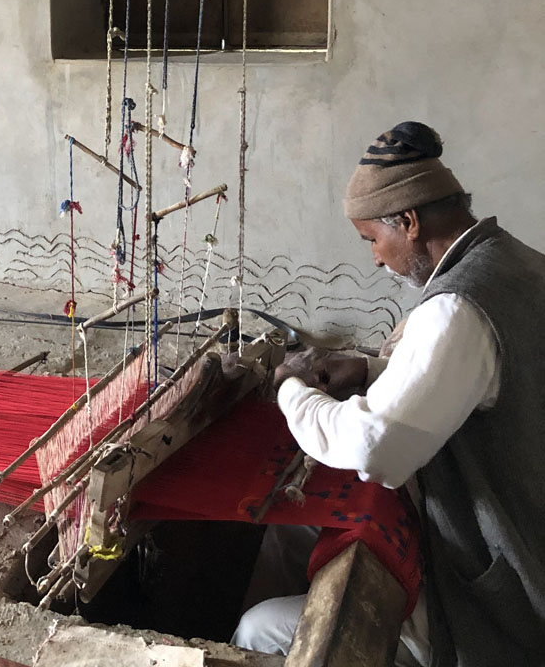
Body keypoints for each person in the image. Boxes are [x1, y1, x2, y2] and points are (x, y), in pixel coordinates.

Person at [233, 121, 545, 667]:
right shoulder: (515, 262)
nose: (376, 258)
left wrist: (292, 391)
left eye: (372, 239)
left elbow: (376, 448)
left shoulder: (457, 307)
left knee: (257, 629)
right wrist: (372, 369)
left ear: (408, 221)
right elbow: (472, 379)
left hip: (504, 571)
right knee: (291, 526)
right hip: (523, 513)